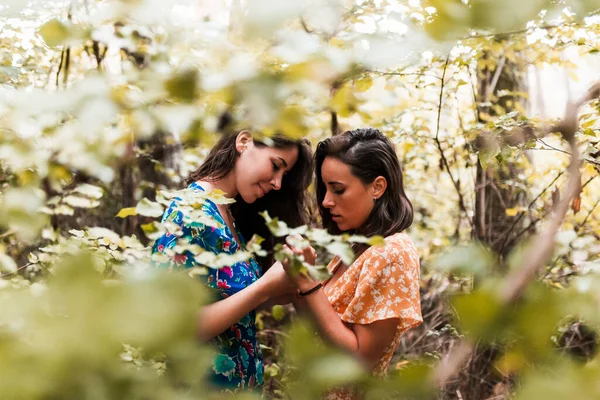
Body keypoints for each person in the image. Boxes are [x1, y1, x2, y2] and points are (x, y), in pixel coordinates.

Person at [152, 130, 312, 391]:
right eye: (275, 166)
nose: (278, 183)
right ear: (244, 142)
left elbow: (225, 304)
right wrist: (263, 288)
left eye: (284, 175)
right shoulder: (190, 211)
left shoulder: (228, 213)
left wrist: (280, 289)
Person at [275, 128, 422, 398]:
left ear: (377, 186)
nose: (326, 201)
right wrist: (297, 282)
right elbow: (325, 329)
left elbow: (359, 361)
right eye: (325, 188)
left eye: (338, 189)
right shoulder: (357, 246)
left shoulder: (391, 253)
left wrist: (308, 285)